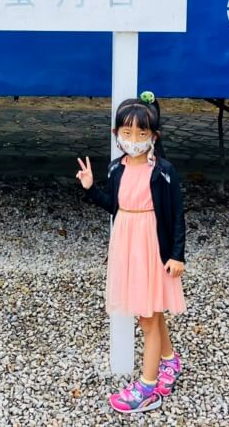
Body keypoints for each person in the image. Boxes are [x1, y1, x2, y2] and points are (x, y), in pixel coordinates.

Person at [75, 90, 187, 414]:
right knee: (149, 312)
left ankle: (148, 388)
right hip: (127, 243)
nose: (134, 138)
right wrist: (90, 189)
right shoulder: (116, 168)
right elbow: (114, 204)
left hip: (151, 246)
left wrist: (176, 254)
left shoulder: (163, 172)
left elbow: (176, 215)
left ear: (154, 136)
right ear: (117, 134)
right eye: (127, 132)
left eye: (141, 133)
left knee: (149, 317)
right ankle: (169, 361)